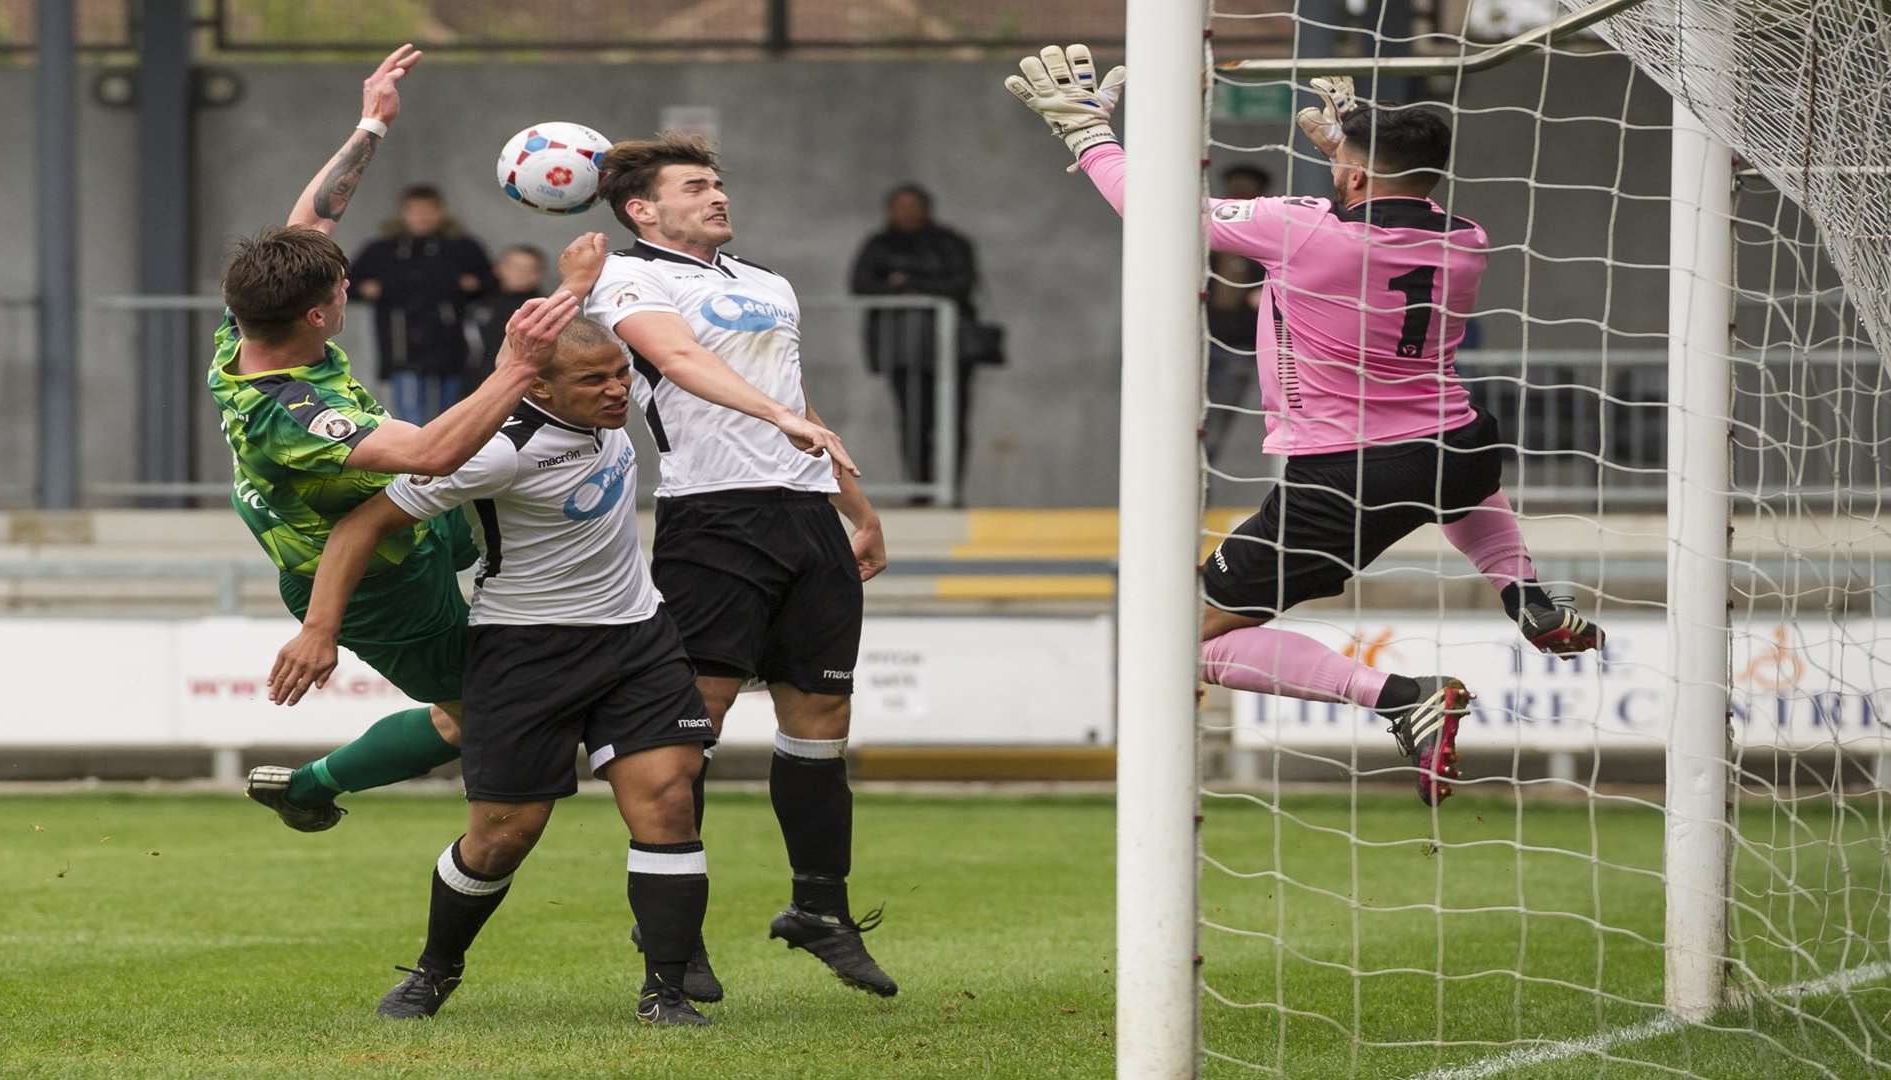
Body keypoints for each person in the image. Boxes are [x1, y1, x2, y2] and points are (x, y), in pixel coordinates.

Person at [1007, 45, 1605, 807]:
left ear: (1355, 176)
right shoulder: (1466, 240)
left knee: (1174, 638)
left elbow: (1153, 211)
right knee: (1458, 484)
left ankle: (1399, 696)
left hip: (1349, 473)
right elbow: (1373, 201)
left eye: (1345, 163)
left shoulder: (1303, 230)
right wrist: (1346, 153)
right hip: (1460, 445)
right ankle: (1527, 598)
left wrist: (1088, 135)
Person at [267, 316, 716, 1027]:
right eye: (595, 380)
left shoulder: (603, 415)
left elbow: (547, 335)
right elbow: (360, 527)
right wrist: (319, 629)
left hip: (637, 638)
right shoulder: (496, 452)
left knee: (667, 801)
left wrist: (573, 278)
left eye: (621, 373)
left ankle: (665, 989)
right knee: (504, 833)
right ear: (537, 386)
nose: (616, 390)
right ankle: (435, 969)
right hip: (527, 651)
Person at [209, 45, 590, 833]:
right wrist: (519, 366)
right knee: (476, 716)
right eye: (340, 287)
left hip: (413, 517)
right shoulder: (290, 417)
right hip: (372, 579)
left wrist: (370, 122)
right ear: (316, 315)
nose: (349, 287)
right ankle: (312, 785)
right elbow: (428, 455)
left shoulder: (252, 317)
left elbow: (310, 223)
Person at [567, 133, 897, 998]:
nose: (717, 194)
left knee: (823, 712)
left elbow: (796, 400)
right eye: (695, 185)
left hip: (805, 518)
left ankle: (819, 911)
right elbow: (676, 359)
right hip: (713, 519)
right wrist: (778, 421)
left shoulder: (768, 283)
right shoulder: (628, 277)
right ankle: (674, 938)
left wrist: (855, 506)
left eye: (718, 182)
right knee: (687, 732)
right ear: (643, 209)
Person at [849, 185, 981, 502]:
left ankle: (949, 491)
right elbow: (860, 284)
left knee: (952, 422)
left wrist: (906, 281)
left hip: (950, 348)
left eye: (913, 205)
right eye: (900, 206)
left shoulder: (950, 243)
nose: (907, 212)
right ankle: (919, 490)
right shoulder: (879, 245)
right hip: (902, 349)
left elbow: (961, 284)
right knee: (912, 423)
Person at [350, 184, 497, 423]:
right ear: (403, 213)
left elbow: (491, 282)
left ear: (441, 212)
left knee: (450, 413)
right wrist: (366, 289)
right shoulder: (381, 250)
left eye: (429, 210)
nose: (422, 216)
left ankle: (446, 456)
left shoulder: (462, 247)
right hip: (401, 342)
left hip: (449, 341)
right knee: (409, 414)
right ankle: (413, 455)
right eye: (415, 210)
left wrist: (474, 284)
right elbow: (348, 284)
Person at [1205, 166, 1271, 463]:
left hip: (1236, 349)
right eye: (1235, 190)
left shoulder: (1266, 242)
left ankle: (1198, 496)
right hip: (1196, 344)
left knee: (1212, 429)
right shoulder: (1207, 234)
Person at [466, 244, 547, 394]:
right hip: (476, 383)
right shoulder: (480, 304)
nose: (519, 273)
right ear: (498, 269)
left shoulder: (543, 309)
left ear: (538, 274)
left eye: (527, 269)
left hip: (519, 388)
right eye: (514, 266)